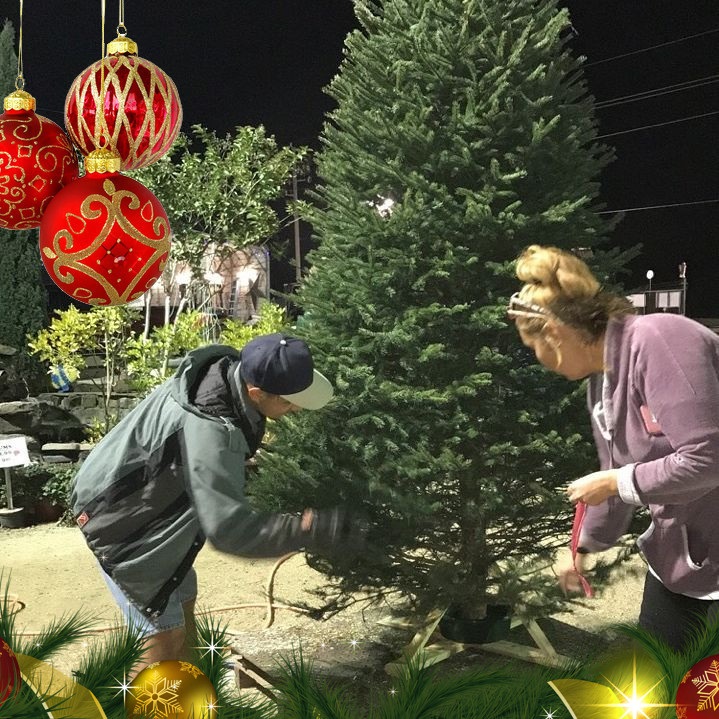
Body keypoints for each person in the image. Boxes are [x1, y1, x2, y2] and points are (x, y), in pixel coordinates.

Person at [71, 333, 356, 672]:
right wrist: (307, 529)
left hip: (125, 489)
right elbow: (228, 529)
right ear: (257, 393)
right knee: (161, 636)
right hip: (118, 518)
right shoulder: (210, 428)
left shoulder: (224, 375)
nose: (295, 408)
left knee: (183, 601)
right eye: (289, 401)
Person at [507, 244, 719, 651]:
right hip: (682, 553)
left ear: (553, 333)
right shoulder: (603, 384)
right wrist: (581, 546)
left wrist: (617, 481)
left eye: (532, 347)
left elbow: (707, 458)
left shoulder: (659, 338)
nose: (538, 359)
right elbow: (615, 475)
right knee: (652, 678)